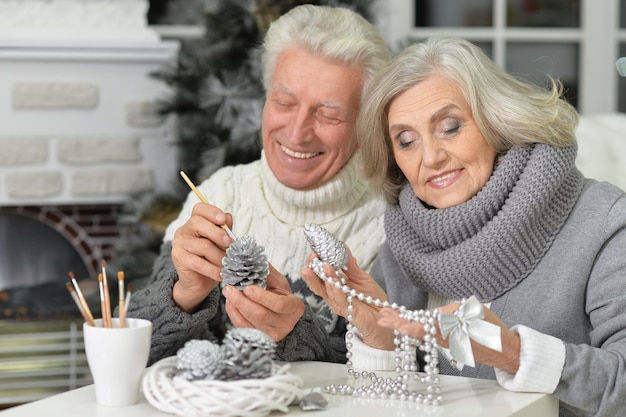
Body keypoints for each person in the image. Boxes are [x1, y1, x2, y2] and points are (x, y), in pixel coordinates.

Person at [302, 35, 626, 417]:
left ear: (496, 123)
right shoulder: (402, 248)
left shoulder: (604, 221)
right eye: (406, 141)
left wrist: (513, 353)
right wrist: (379, 338)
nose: (432, 157)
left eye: (450, 127)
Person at [124, 4, 391, 366]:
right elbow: (141, 349)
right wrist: (182, 293)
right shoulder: (221, 193)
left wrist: (294, 334)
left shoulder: (389, 224)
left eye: (329, 114)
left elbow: (392, 370)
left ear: (365, 126)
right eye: (283, 102)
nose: (297, 133)